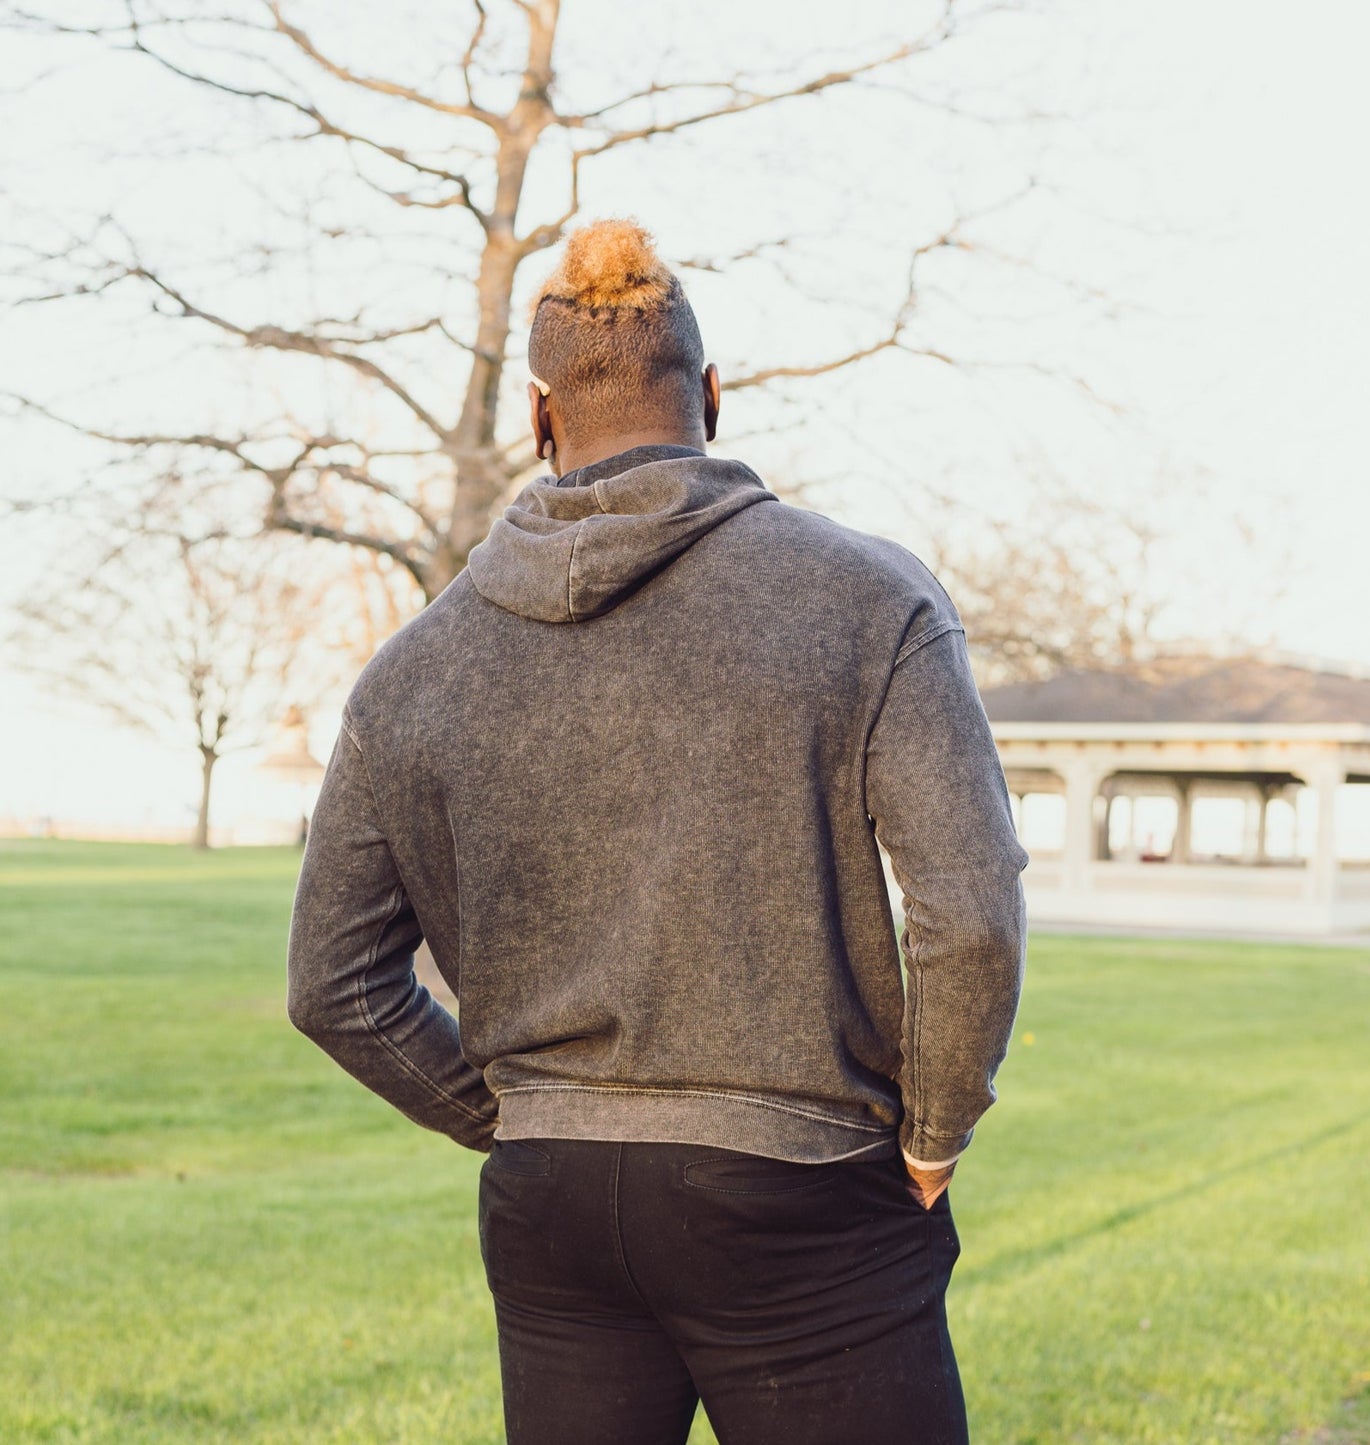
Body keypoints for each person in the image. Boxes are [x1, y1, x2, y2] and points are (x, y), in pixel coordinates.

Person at [287, 218, 1029, 1445]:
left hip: (553, 1208)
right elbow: (967, 902)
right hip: (802, 1189)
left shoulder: (413, 669)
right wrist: (937, 1127)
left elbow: (335, 986)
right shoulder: (868, 596)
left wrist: (522, 1113)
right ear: (711, 396)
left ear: (539, 416)